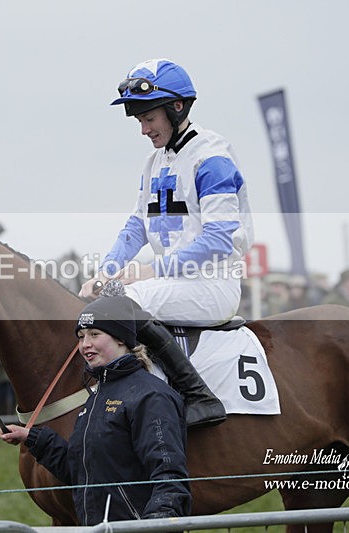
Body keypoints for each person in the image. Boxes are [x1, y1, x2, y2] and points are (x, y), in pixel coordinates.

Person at [79, 58, 254, 427]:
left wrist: (149, 269)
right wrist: (106, 271)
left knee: (127, 304)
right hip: (174, 283)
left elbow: (219, 240)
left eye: (149, 118)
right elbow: (135, 228)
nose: (143, 129)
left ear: (177, 108)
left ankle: (198, 396)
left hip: (213, 284)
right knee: (104, 302)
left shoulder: (212, 157)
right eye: (139, 120)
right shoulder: (154, 162)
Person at [0, 297, 191, 524]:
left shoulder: (151, 396)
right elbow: (79, 471)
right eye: (81, 337)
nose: (84, 344)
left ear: (121, 339)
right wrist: (33, 438)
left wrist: (152, 526)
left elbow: (170, 480)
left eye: (94, 334)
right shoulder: (96, 396)